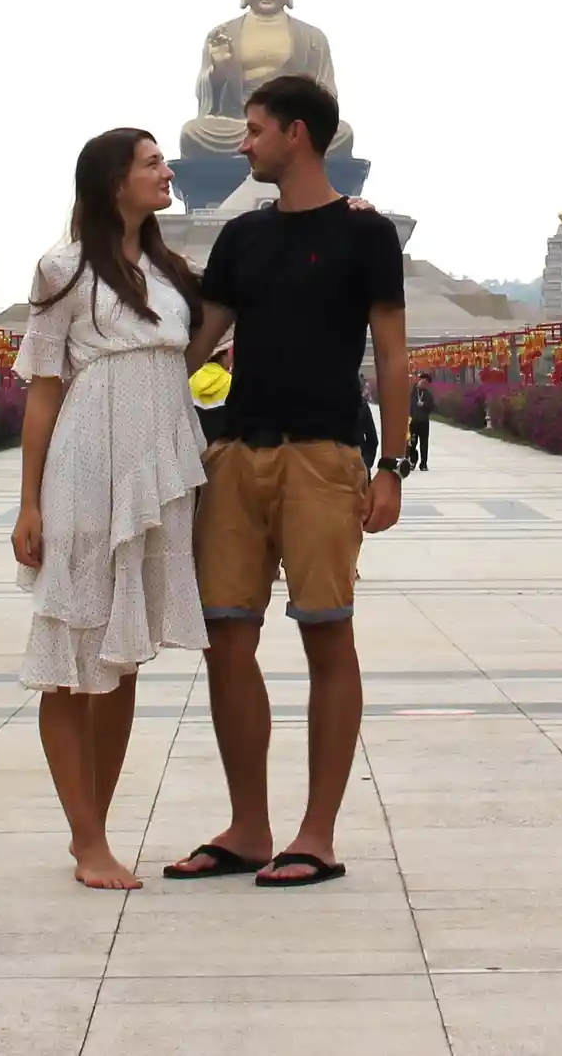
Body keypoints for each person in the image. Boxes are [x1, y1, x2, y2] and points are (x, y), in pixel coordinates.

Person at [163, 74, 409, 890]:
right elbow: (199, 341)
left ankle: (317, 832)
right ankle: (249, 823)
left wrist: (392, 463)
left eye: (257, 128)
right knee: (227, 638)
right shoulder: (240, 239)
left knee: (325, 633)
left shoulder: (366, 237)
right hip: (236, 453)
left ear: (298, 133)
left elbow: (394, 355)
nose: (244, 142)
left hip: (324, 455)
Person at [10, 127, 210, 890]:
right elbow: (44, 387)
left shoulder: (170, 269)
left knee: (121, 659)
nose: (167, 172)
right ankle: (86, 839)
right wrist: (28, 501)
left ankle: (95, 826)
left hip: (157, 468)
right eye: (153, 162)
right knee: (73, 655)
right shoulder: (63, 268)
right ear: (111, 181)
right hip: (86, 463)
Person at [408, 372, 435, 473]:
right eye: (422, 382)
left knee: (424, 444)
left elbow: (432, 407)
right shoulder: (412, 391)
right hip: (413, 422)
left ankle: (423, 464)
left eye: (426, 383)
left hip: (424, 422)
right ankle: (413, 460)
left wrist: (424, 405)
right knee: (411, 443)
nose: (424, 384)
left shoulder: (428, 395)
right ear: (419, 381)